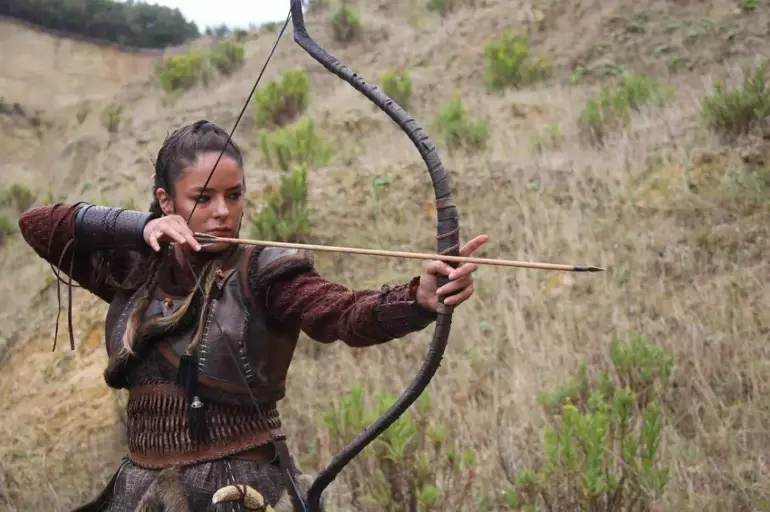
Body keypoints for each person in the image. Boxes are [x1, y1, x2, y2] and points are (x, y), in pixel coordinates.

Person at [17, 120, 488, 511]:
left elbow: (342, 313)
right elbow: (37, 224)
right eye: (203, 198)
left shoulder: (265, 272)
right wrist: (139, 227)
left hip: (240, 492)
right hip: (143, 491)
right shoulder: (136, 269)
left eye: (234, 194)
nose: (223, 212)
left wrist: (418, 298)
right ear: (166, 201)